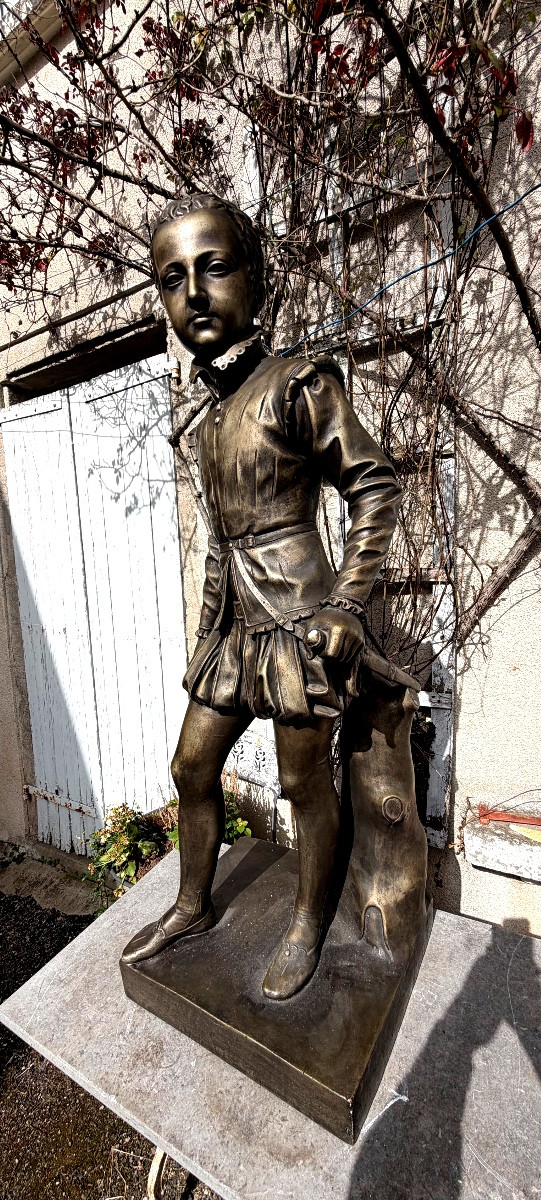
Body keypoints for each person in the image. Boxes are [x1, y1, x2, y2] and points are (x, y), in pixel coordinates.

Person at [121, 192, 402, 1000]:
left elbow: (373, 485)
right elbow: (222, 537)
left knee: (301, 785)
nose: (195, 294)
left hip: (300, 623)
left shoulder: (299, 381)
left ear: (256, 278)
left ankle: (308, 923)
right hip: (236, 626)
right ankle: (191, 905)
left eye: (213, 268)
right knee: (190, 765)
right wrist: (209, 629)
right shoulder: (206, 422)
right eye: (172, 279)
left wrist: (348, 602)